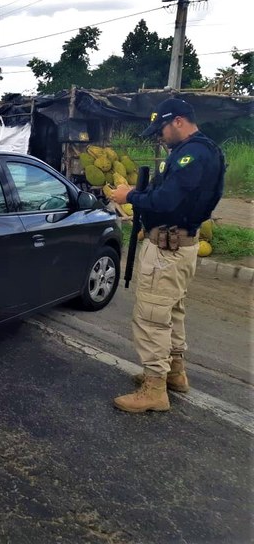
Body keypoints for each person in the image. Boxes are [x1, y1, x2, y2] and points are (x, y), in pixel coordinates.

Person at [111, 97, 225, 413]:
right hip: (178, 245)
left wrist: (130, 196)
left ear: (177, 121)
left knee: (151, 317)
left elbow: (167, 200)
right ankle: (174, 374)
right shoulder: (202, 151)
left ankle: (154, 389)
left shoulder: (193, 155)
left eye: (161, 129)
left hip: (168, 251)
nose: (159, 137)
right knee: (171, 312)